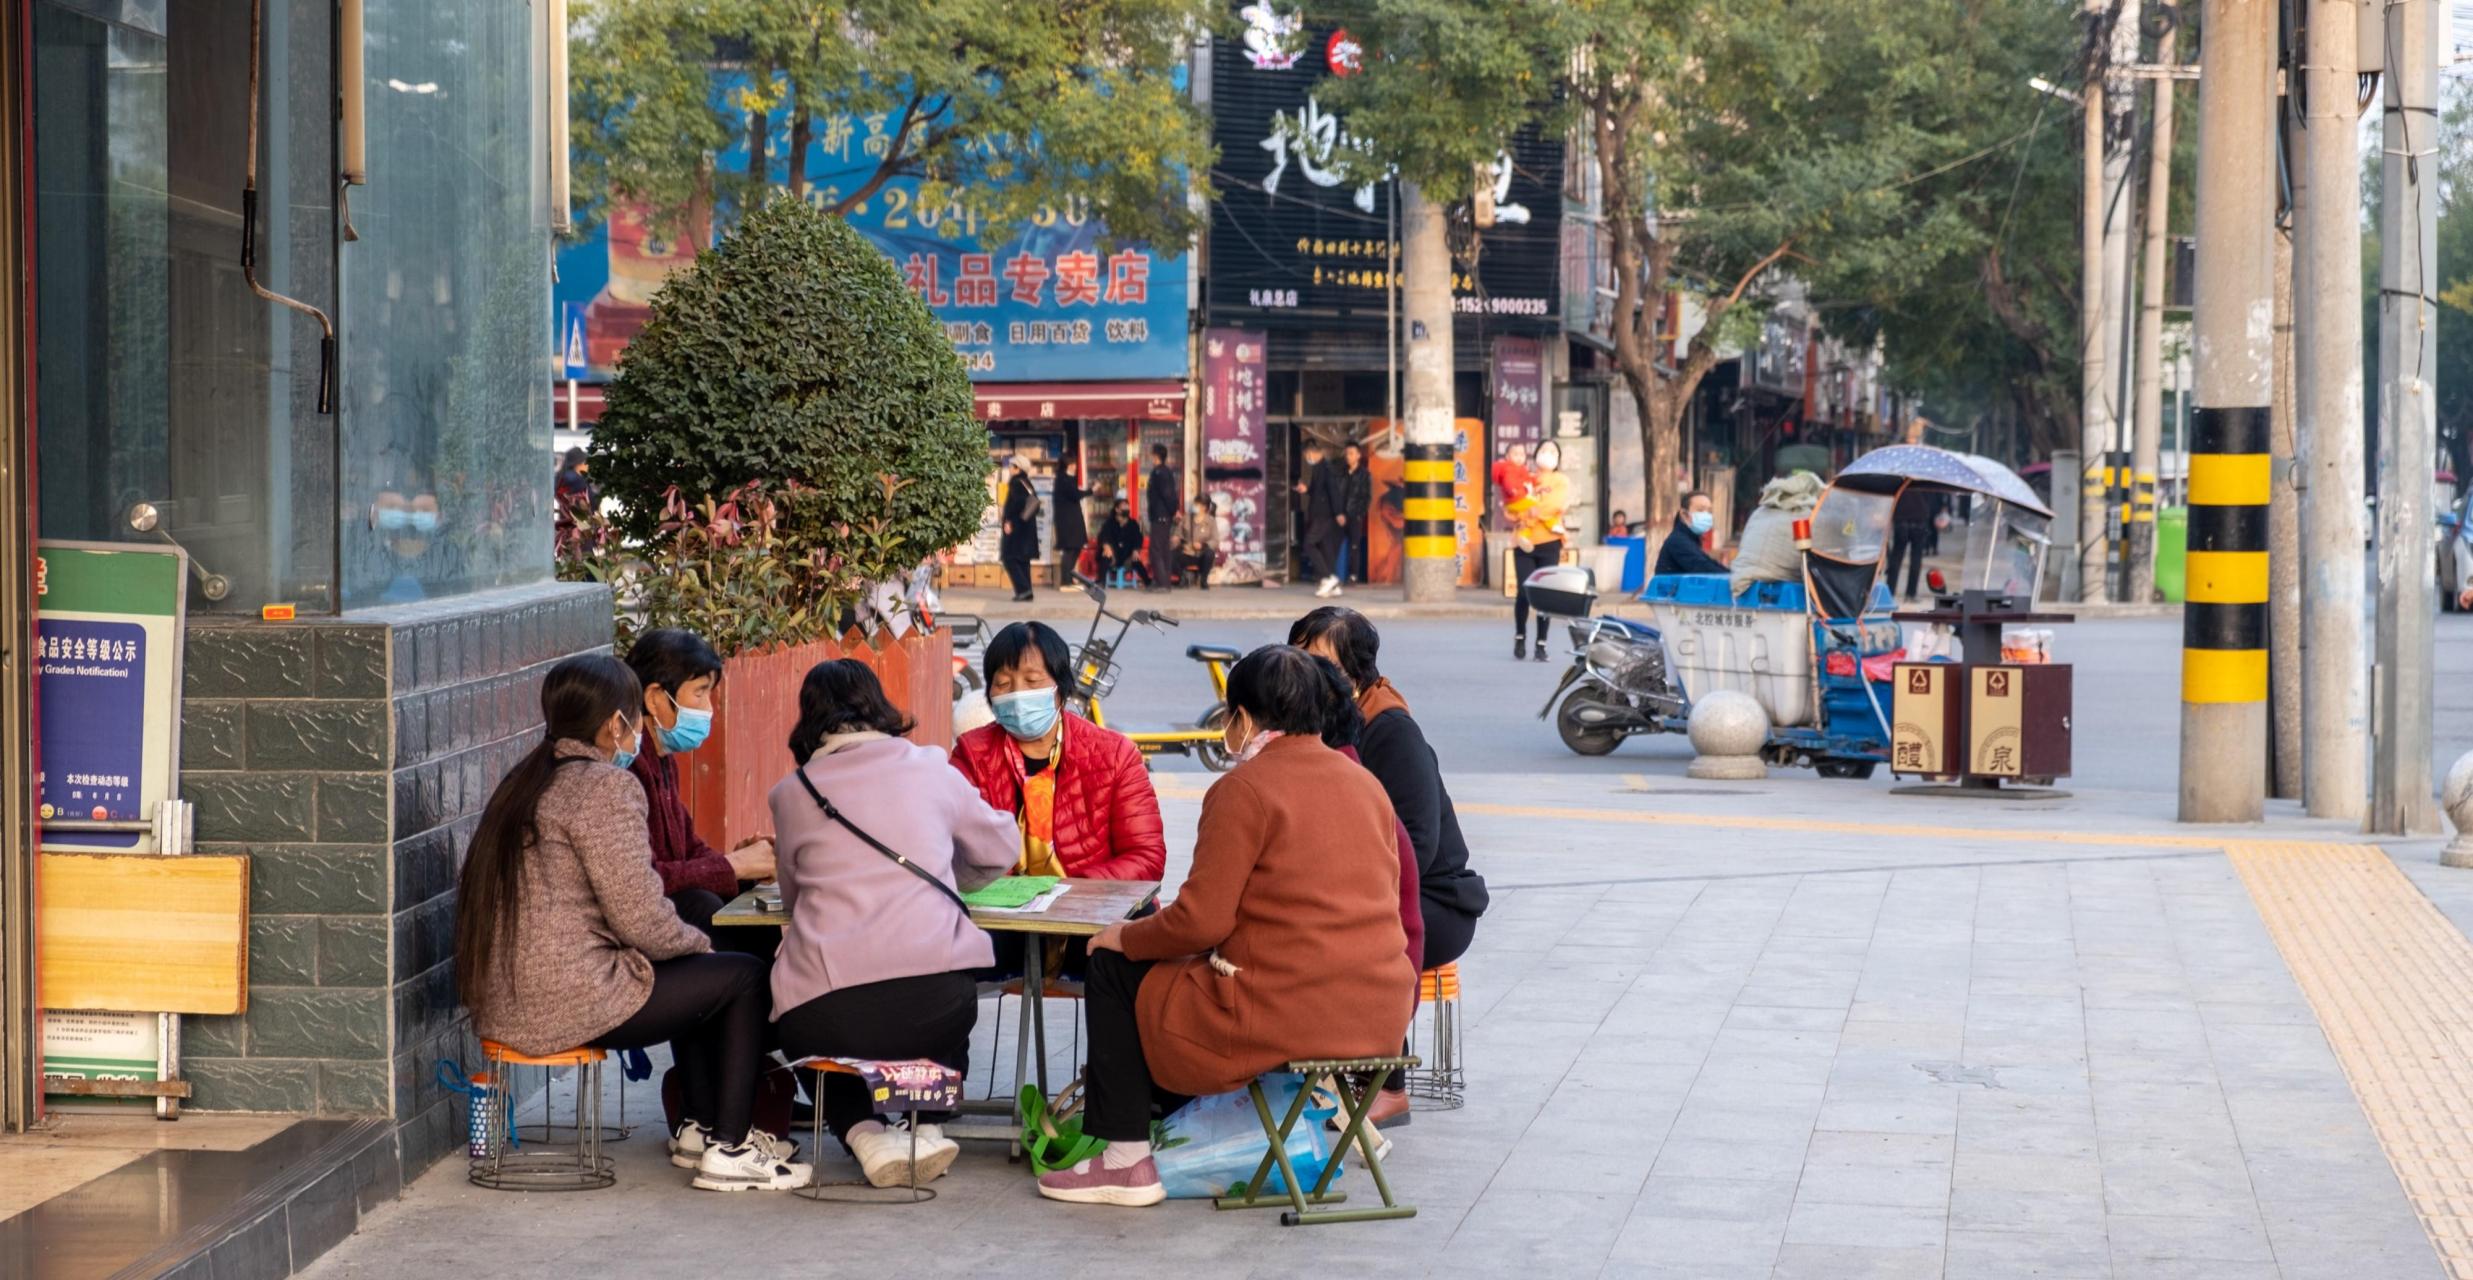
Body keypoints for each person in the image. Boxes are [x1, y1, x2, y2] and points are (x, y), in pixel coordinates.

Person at [1035, 647, 1415, 1207]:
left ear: (1242, 718)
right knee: (1169, 974)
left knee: (1115, 967)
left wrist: (1126, 934)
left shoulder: (1244, 790)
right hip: (1379, 1013)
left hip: (1286, 1009)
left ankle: (1124, 1161)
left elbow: (1201, 921)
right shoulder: (1366, 786)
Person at [454, 654, 810, 1192]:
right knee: (740, 977)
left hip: (508, 999)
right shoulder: (604, 788)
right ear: (615, 724)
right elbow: (640, 914)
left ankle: (700, 1128)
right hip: (566, 1001)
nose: (640, 734)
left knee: (694, 970)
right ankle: (730, 1148)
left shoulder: (524, 780)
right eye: (636, 721)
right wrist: (699, 947)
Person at [767, 659, 1018, 1188]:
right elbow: (1001, 848)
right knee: (943, 993)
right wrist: (949, 871)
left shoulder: (792, 793)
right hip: (935, 1004)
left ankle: (864, 1134)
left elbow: (791, 895)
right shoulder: (930, 766)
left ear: (808, 719)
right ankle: (923, 1125)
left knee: (809, 1034)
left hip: (826, 1008)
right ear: (878, 705)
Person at [1287, 608, 1487, 1129]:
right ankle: (1302, 1069)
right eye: (1300, 657)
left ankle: (1386, 1086)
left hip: (1432, 899)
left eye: (1320, 660)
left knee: (1356, 930)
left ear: (1356, 671)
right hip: (1359, 886)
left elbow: (1417, 846)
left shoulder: (1390, 729)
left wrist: (1338, 893)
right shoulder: (1315, 727)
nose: (1309, 672)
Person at [950, 622, 1166, 982]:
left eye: (1032, 681)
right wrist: (1015, 897)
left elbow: (1146, 858)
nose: (1017, 694)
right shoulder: (971, 754)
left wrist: (1065, 893)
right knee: (943, 953)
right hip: (1005, 925)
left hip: (1092, 919)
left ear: (1061, 689)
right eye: (1003, 684)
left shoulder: (1114, 754)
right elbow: (949, 847)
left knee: (1129, 955)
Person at [621, 629, 775, 954]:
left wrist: (748, 866)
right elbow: (647, 876)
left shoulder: (662, 760)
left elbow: (689, 849)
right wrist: (734, 865)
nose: (708, 709)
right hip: (640, 934)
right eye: (700, 693)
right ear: (655, 698)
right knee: (701, 906)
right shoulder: (627, 768)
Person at [1510, 440, 1571, 660]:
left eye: (1552, 451)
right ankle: (1520, 636)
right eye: (1543, 450)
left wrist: (1532, 512)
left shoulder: (1560, 480)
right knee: (1524, 591)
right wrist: (1524, 512)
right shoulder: (1524, 477)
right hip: (1524, 542)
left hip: (1549, 542)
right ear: (1535, 455)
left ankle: (1541, 643)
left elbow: (1555, 504)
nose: (1547, 454)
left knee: (1545, 594)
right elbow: (1512, 503)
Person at [1297, 438, 1344, 598]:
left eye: (1306, 455)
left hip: (1324, 514)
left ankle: (1326, 577)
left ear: (1310, 452)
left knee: (1309, 544)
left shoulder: (1326, 469)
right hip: (1321, 513)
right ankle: (1334, 583)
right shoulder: (1319, 468)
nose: (1306, 458)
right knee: (1325, 548)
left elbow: (1333, 492)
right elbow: (1319, 491)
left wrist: (1339, 513)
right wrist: (1307, 489)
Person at [1887, 487, 1945, 600]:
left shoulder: (1902, 476)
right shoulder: (1922, 475)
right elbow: (1931, 497)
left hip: (1901, 517)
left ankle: (1890, 592)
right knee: (1916, 558)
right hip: (1920, 517)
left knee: (1896, 557)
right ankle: (1911, 593)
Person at [1656, 490, 1730, 577]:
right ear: (1684, 515)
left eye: (1709, 511)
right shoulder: (1678, 541)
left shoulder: (1689, 539)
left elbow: (1709, 563)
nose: (1706, 515)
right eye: (1700, 510)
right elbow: (1703, 568)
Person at [1000, 456, 1042, 603]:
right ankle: (1027, 592)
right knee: (1023, 560)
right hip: (1027, 526)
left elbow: (1016, 504)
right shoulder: (1026, 482)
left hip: (1017, 527)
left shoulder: (1016, 482)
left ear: (1018, 468)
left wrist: (1009, 521)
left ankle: (1023, 590)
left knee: (1009, 558)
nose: (1010, 469)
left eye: (1012, 466)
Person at [1145, 445, 1179, 594]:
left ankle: (1163, 583)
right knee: (1164, 549)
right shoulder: (1162, 472)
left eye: (1151, 454)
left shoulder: (1160, 473)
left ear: (1156, 456)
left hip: (1161, 516)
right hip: (1162, 515)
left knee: (1156, 550)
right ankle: (1163, 581)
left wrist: (1173, 511)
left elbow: (1168, 494)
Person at [1097, 499, 1151, 587]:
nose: (1126, 508)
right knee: (1105, 556)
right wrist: (1106, 546)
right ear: (1117, 509)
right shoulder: (1109, 523)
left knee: (1136, 560)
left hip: (1127, 556)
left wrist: (1136, 550)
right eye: (1124, 506)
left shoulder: (1133, 524)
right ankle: (1100, 582)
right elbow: (1103, 536)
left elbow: (1138, 538)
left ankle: (1148, 582)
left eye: (1127, 506)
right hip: (1113, 555)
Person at [1340, 442, 1373, 584]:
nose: (1348, 457)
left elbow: (1367, 497)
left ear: (1358, 455)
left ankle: (1353, 575)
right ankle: (1335, 574)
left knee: (1354, 545)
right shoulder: (1342, 472)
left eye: (1351, 453)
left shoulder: (1364, 474)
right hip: (1341, 514)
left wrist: (1359, 513)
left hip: (1355, 515)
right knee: (1336, 544)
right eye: (1347, 454)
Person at [1053, 463, 1090, 591]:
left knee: (1076, 548)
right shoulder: (1063, 479)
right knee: (1070, 550)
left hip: (1073, 520)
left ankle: (1068, 578)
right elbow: (1075, 494)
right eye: (1072, 463)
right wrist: (1091, 490)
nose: (1075, 466)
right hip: (1067, 522)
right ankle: (1065, 581)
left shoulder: (1067, 479)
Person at [1174, 498, 1218, 590]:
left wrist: (1203, 545)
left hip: (1202, 555)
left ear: (1204, 507)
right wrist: (1178, 540)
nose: (1194, 507)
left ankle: (1203, 580)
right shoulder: (1186, 518)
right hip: (1188, 553)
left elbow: (1215, 540)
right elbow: (1178, 533)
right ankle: (1182, 578)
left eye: (1196, 505)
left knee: (1210, 553)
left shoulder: (1211, 521)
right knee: (1171, 555)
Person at [556, 447, 596, 514]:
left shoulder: (564, 476)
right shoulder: (575, 480)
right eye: (585, 462)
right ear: (577, 464)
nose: (587, 465)